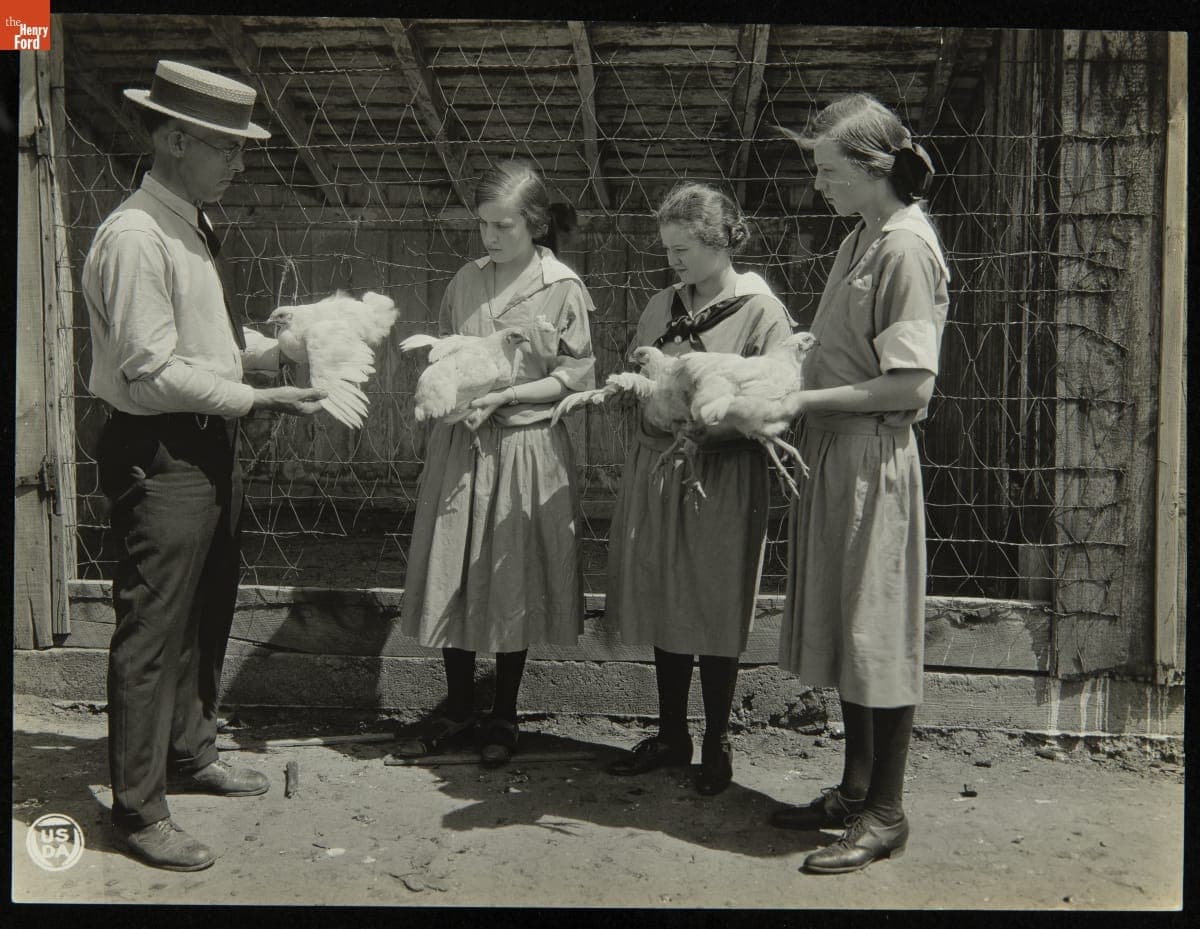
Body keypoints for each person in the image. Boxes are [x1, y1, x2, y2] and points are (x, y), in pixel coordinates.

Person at [83, 60, 327, 871]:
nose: (239, 162)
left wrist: (267, 352)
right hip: (159, 449)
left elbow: (197, 346)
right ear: (174, 138)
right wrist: (258, 399)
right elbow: (149, 370)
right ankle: (138, 807)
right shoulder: (135, 236)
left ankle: (192, 749)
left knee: (204, 608)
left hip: (203, 441)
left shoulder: (187, 222)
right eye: (226, 147)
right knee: (153, 625)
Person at [771, 94, 950, 873]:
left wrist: (800, 398)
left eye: (827, 169)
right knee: (851, 628)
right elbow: (849, 348)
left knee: (877, 632)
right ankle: (852, 788)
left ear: (873, 169)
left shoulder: (906, 248)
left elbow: (909, 388)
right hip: (836, 457)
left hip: (872, 459)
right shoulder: (862, 237)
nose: (818, 183)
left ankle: (885, 810)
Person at [397, 158, 596, 766]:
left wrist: (507, 396)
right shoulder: (466, 280)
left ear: (534, 224)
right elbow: (452, 360)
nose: (490, 237)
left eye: (503, 226)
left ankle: (504, 714)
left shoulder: (563, 288)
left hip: (526, 449)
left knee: (513, 575)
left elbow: (575, 378)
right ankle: (458, 708)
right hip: (464, 445)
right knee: (453, 566)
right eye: (483, 225)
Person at [604, 182, 795, 796]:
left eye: (684, 248)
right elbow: (641, 386)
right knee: (664, 591)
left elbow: (779, 405)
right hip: (659, 468)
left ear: (720, 241)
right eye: (667, 249)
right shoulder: (661, 305)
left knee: (712, 598)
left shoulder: (761, 312)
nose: (674, 260)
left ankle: (716, 739)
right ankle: (670, 734)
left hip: (723, 475)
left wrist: (710, 432)